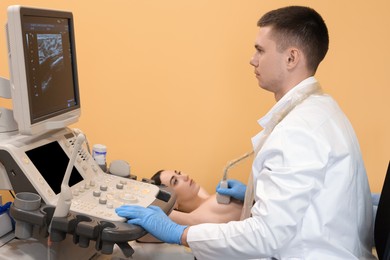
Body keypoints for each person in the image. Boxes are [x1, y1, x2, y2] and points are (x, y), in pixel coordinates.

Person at [116, 6, 375, 259]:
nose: (252, 60)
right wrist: (256, 194)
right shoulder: (323, 109)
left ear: (291, 58)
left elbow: (265, 236)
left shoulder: (299, 132)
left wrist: (180, 233)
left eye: (260, 50)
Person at [150, 169, 243, 225]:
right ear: (173, 203)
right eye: (175, 181)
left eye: (179, 173)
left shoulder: (203, 197)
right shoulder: (194, 219)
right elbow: (162, 213)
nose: (185, 176)